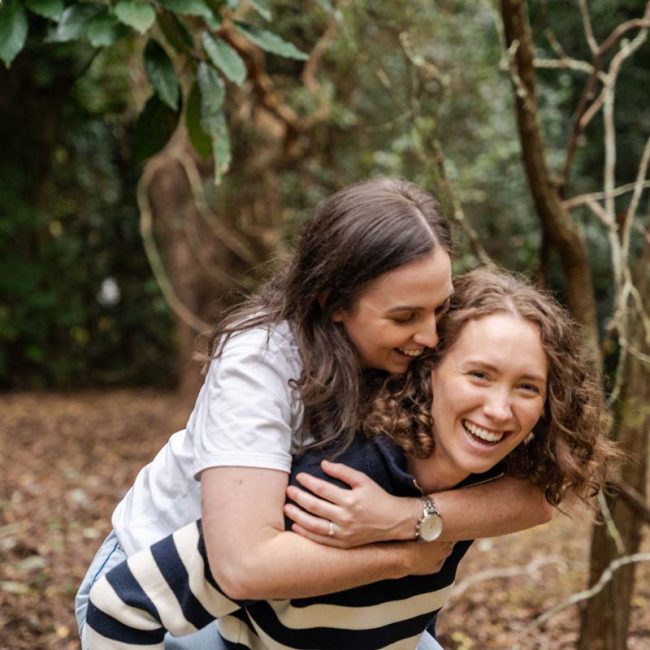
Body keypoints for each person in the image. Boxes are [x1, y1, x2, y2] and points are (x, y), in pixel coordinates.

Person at [76, 180, 553, 649]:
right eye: (405, 317)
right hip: (159, 595)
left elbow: (536, 496)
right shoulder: (260, 361)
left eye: (441, 307)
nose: (431, 336)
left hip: (296, 601)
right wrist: (405, 557)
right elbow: (242, 566)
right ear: (333, 302)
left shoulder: (419, 353)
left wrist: (406, 516)